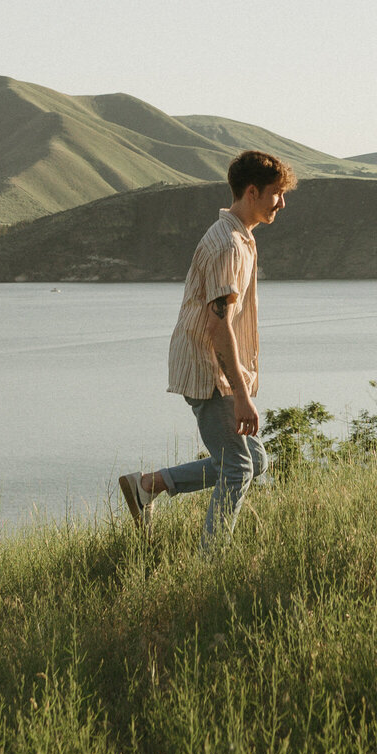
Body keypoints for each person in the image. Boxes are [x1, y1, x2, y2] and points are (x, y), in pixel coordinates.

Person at [118, 148, 295, 538]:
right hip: (209, 369)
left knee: (255, 460)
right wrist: (242, 394)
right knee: (238, 467)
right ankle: (210, 561)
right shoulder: (229, 245)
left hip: (216, 367)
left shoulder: (240, 238)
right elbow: (219, 326)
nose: (281, 203)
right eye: (276, 194)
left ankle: (148, 486)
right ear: (252, 192)